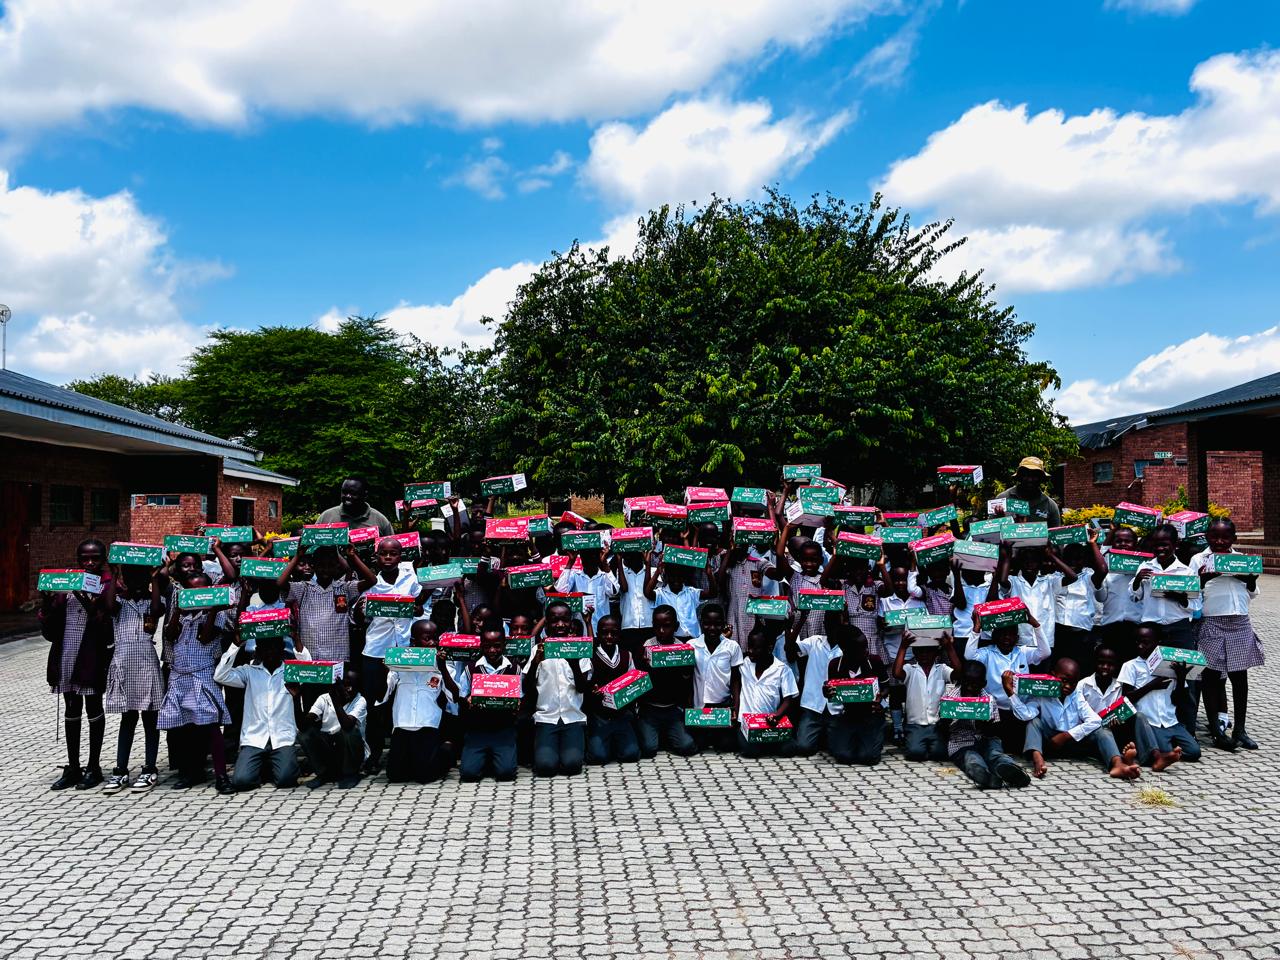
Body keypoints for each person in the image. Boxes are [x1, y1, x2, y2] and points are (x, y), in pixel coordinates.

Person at [40, 538, 113, 790]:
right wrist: (47, 601)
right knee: (71, 709)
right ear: (78, 559)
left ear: (103, 560)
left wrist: (87, 600)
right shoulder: (66, 586)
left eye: (95, 558)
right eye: (85, 558)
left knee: (93, 707)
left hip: (91, 656)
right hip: (66, 654)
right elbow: (50, 630)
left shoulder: (106, 585)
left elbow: (105, 622)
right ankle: (73, 766)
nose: (89, 563)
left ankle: (94, 767)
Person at [348, 537, 423, 772]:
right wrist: (361, 612)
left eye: (393, 554)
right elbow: (356, 619)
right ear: (376, 557)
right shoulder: (370, 583)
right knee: (374, 705)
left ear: (401, 556)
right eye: (384, 554)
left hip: (404, 651)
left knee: (402, 701)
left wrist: (416, 608)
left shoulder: (410, 578)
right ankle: (374, 754)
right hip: (376, 651)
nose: (388, 557)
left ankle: (401, 753)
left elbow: (419, 607)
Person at [157, 573, 234, 794]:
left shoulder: (217, 614)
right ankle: (189, 772)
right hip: (179, 675)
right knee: (183, 727)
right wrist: (178, 610)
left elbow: (206, 637)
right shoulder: (180, 614)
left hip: (202, 674)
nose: (196, 596)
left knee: (210, 723)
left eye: (202, 591)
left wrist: (212, 609)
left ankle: (221, 775)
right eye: (191, 592)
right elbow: (170, 635)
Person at [1191, 517, 1262, 751]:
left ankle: (1240, 729)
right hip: (1212, 622)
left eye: (1225, 537)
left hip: (1239, 622)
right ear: (1207, 537)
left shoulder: (1241, 559)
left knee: (1239, 678)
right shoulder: (1198, 559)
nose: (1220, 541)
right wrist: (1204, 577)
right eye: (1214, 536)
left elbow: (1252, 593)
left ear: (1234, 538)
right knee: (1211, 678)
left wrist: (1249, 580)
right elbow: (1189, 591)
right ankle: (1217, 731)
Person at [101, 562, 166, 793]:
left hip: (147, 663)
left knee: (150, 718)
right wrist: (114, 576)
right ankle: (120, 769)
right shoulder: (119, 601)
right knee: (127, 719)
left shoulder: (153, 601)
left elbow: (157, 610)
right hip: (124, 663)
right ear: (125, 579)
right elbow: (109, 606)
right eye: (131, 577)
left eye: (141, 577)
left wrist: (154, 579)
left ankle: (150, 767)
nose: (136, 582)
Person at [1017, 658, 1140, 780]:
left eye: (1073, 683)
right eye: (1064, 681)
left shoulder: (1076, 695)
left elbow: (1095, 720)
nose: (1068, 686)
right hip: (1050, 743)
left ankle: (1118, 764)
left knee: (1102, 730)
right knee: (1034, 722)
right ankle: (1037, 759)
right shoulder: (1042, 693)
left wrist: (1066, 736)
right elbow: (1026, 715)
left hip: (1073, 742)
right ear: (1053, 675)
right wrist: (1011, 694)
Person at [1130, 524, 1199, 730]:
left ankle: (1188, 729)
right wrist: (1137, 581)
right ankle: (1154, 726)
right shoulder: (1145, 568)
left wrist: (1180, 597)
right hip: (1152, 631)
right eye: (1157, 544)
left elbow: (1195, 605)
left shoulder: (1186, 571)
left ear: (1175, 545)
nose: (1161, 548)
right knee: (1152, 676)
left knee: (1186, 676)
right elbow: (1134, 597)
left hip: (1178, 630)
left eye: (1165, 544)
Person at [214, 631, 301, 791]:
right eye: (265, 648)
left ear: (282, 648)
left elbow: (309, 667)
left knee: (286, 779)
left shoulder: (292, 671)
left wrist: (297, 641)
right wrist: (235, 646)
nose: (270, 652)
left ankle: (272, 765)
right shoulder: (249, 671)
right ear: (258, 650)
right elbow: (220, 676)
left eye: (274, 647)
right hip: (255, 738)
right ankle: (263, 766)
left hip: (282, 738)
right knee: (241, 781)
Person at [963, 616, 1049, 755]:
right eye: (1002, 634)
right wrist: (976, 628)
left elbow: (1045, 652)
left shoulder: (1022, 652)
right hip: (996, 712)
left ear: (1017, 637)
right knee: (996, 741)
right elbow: (969, 656)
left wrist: (1035, 624)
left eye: (1011, 634)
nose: (1006, 638)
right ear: (995, 636)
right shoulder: (988, 653)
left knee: (1018, 743)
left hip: (1019, 710)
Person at [526, 600, 593, 776]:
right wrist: (535, 663)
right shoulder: (538, 649)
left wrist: (574, 663)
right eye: (555, 620)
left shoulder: (579, 649)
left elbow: (582, 688)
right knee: (545, 767)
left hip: (572, 718)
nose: (560, 624)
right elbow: (527, 687)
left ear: (571, 622)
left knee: (572, 765)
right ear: (547, 623)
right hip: (546, 718)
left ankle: (568, 749)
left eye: (564, 620)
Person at [1119, 624, 1201, 765]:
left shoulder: (1171, 666)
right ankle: (1161, 753)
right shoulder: (1131, 666)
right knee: (1164, 749)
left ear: (1158, 644)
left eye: (1146, 643)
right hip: (1150, 723)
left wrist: (1181, 678)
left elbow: (1179, 700)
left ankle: (1169, 751)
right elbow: (1126, 699)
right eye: (1138, 642)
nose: (1140, 646)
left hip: (1170, 721)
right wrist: (1152, 685)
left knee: (1194, 752)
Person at [381, 628, 450, 784]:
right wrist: (384, 670)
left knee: (425, 777)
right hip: (402, 725)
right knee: (395, 776)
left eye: (435, 639)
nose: (432, 643)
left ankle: (445, 751)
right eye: (427, 639)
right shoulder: (399, 663)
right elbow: (382, 695)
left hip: (427, 725)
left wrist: (443, 668)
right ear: (414, 642)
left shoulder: (440, 663)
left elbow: (454, 696)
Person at [945, 662, 1030, 789]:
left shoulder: (989, 700)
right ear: (961, 680)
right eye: (966, 683)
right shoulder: (949, 699)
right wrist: (946, 719)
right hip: (961, 743)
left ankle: (1010, 769)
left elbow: (996, 730)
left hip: (987, 740)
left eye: (975, 685)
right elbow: (942, 729)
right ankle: (984, 775)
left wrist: (985, 725)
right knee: (971, 758)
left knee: (994, 754)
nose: (970, 688)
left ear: (983, 684)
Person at [456, 625, 522, 782]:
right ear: (481, 646)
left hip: (503, 728)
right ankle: (484, 760)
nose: (492, 650)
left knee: (506, 773)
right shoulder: (471, 668)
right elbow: (462, 695)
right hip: (478, 729)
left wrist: (517, 704)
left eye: (497, 646)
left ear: (504, 645)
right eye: (487, 646)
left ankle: (495, 759)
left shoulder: (514, 669)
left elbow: (520, 696)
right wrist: (467, 700)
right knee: (468, 774)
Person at [782, 609, 848, 757]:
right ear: (824, 624)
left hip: (837, 709)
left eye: (836, 624)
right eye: (829, 624)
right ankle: (820, 736)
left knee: (840, 752)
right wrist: (802, 619)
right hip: (812, 707)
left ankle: (827, 737)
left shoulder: (846, 647)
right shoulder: (815, 641)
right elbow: (789, 649)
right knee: (804, 747)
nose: (832, 628)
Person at [637, 605, 699, 758]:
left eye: (667, 626)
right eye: (657, 627)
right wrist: (646, 666)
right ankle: (656, 734)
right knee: (648, 749)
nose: (662, 631)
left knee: (687, 746)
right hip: (651, 708)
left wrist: (684, 666)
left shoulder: (682, 648)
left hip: (673, 708)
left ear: (676, 626)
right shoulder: (648, 646)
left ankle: (669, 734)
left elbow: (687, 679)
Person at [822, 624, 889, 766]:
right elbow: (833, 695)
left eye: (866, 646)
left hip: (870, 715)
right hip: (847, 716)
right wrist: (827, 693)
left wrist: (880, 697)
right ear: (845, 650)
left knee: (868, 757)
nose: (866, 651)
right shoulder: (835, 665)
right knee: (843, 756)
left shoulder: (874, 661)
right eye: (861, 648)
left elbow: (886, 687)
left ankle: (871, 739)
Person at [732, 626, 798, 759]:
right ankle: (764, 745)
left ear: (769, 648)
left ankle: (768, 743)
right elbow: (735, 681)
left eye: (755, 648)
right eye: (749, 646)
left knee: (789, 749)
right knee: (751, 751)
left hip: (769, 722)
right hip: (746, 723)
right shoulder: (744, 664)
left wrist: (777, 715)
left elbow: (788, 700)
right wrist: (735, 708)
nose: (750, 651)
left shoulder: (782, 669)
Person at [894, 630, 961, 762]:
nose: (924, 654)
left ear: (936, 653)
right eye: (920, 651)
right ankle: (915, 742)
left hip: (936, 724)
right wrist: (903, 647)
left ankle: (931, 745)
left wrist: (949, 647)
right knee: (915, 753)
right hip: (915, 724)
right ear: (914, 653)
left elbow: (958, 673)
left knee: (939, 754)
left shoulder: (942, 669)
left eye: (928, 651)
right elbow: (896, 673)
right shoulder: (910, 669)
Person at [585, 615, 642, 765]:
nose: (609, 636)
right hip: (600, 716)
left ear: (619, 634)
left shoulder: (626, 655)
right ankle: (603, 743)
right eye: (605, 633)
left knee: (631, 755)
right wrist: (592, 692)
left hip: (621, 714)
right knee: (598, 757)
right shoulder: (591, 657)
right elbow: (585, 684)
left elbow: (633, 681)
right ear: (598, 634)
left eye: (614, 633)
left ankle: (616, 742)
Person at [298, 668, 367, 789]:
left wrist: (336, 700)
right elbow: (303, 726)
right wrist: (295, 698)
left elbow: (347, 725)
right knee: (305, 734)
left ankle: (350, 774)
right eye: (345, 685)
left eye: (352, 686)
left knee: (348, 732)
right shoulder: (324, 698)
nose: (348, 689)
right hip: (330, 749)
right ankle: (323, 773)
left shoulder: (360, 700)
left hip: (351, 752)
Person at [688, 603, 742, 753]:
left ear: (723, 624)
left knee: (726, 746)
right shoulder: (692, 646)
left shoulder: (732, 647)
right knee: (697, 745)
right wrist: (689, 707)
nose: (712, 628)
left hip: (722, 706)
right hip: (700, 707)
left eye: (717, 624)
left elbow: (736, 681)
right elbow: (688, 680)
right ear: (701, 623)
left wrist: (736, 709)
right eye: (707, 624)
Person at [554, 546, 619, 634]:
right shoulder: (575, 575)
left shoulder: (604, 576)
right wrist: (571, 562)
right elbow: (560, 590)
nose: (589, 560)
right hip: (580, 630)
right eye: (585, 557)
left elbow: (613, 592)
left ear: (598, 558)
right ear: (581, 558)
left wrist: (604, 563)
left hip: (600, 629)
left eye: (593, 557)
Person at [991, 456, 1062, 526]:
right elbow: (990, 529)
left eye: (1034, 476)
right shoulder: (1003, 499)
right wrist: (1000, 519)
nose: (1030, 479)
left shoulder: (1050, 506)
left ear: (1041, 478)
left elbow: (1056, 532)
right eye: (1026, 475)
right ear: (1020, 477)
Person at [317, 476, 395, 535]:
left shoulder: (380, 520)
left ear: (365, 495)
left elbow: (393, 546)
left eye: (353, 493)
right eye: (344, 492)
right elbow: (312, 544)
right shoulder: (326, 517)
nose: (348, 496)